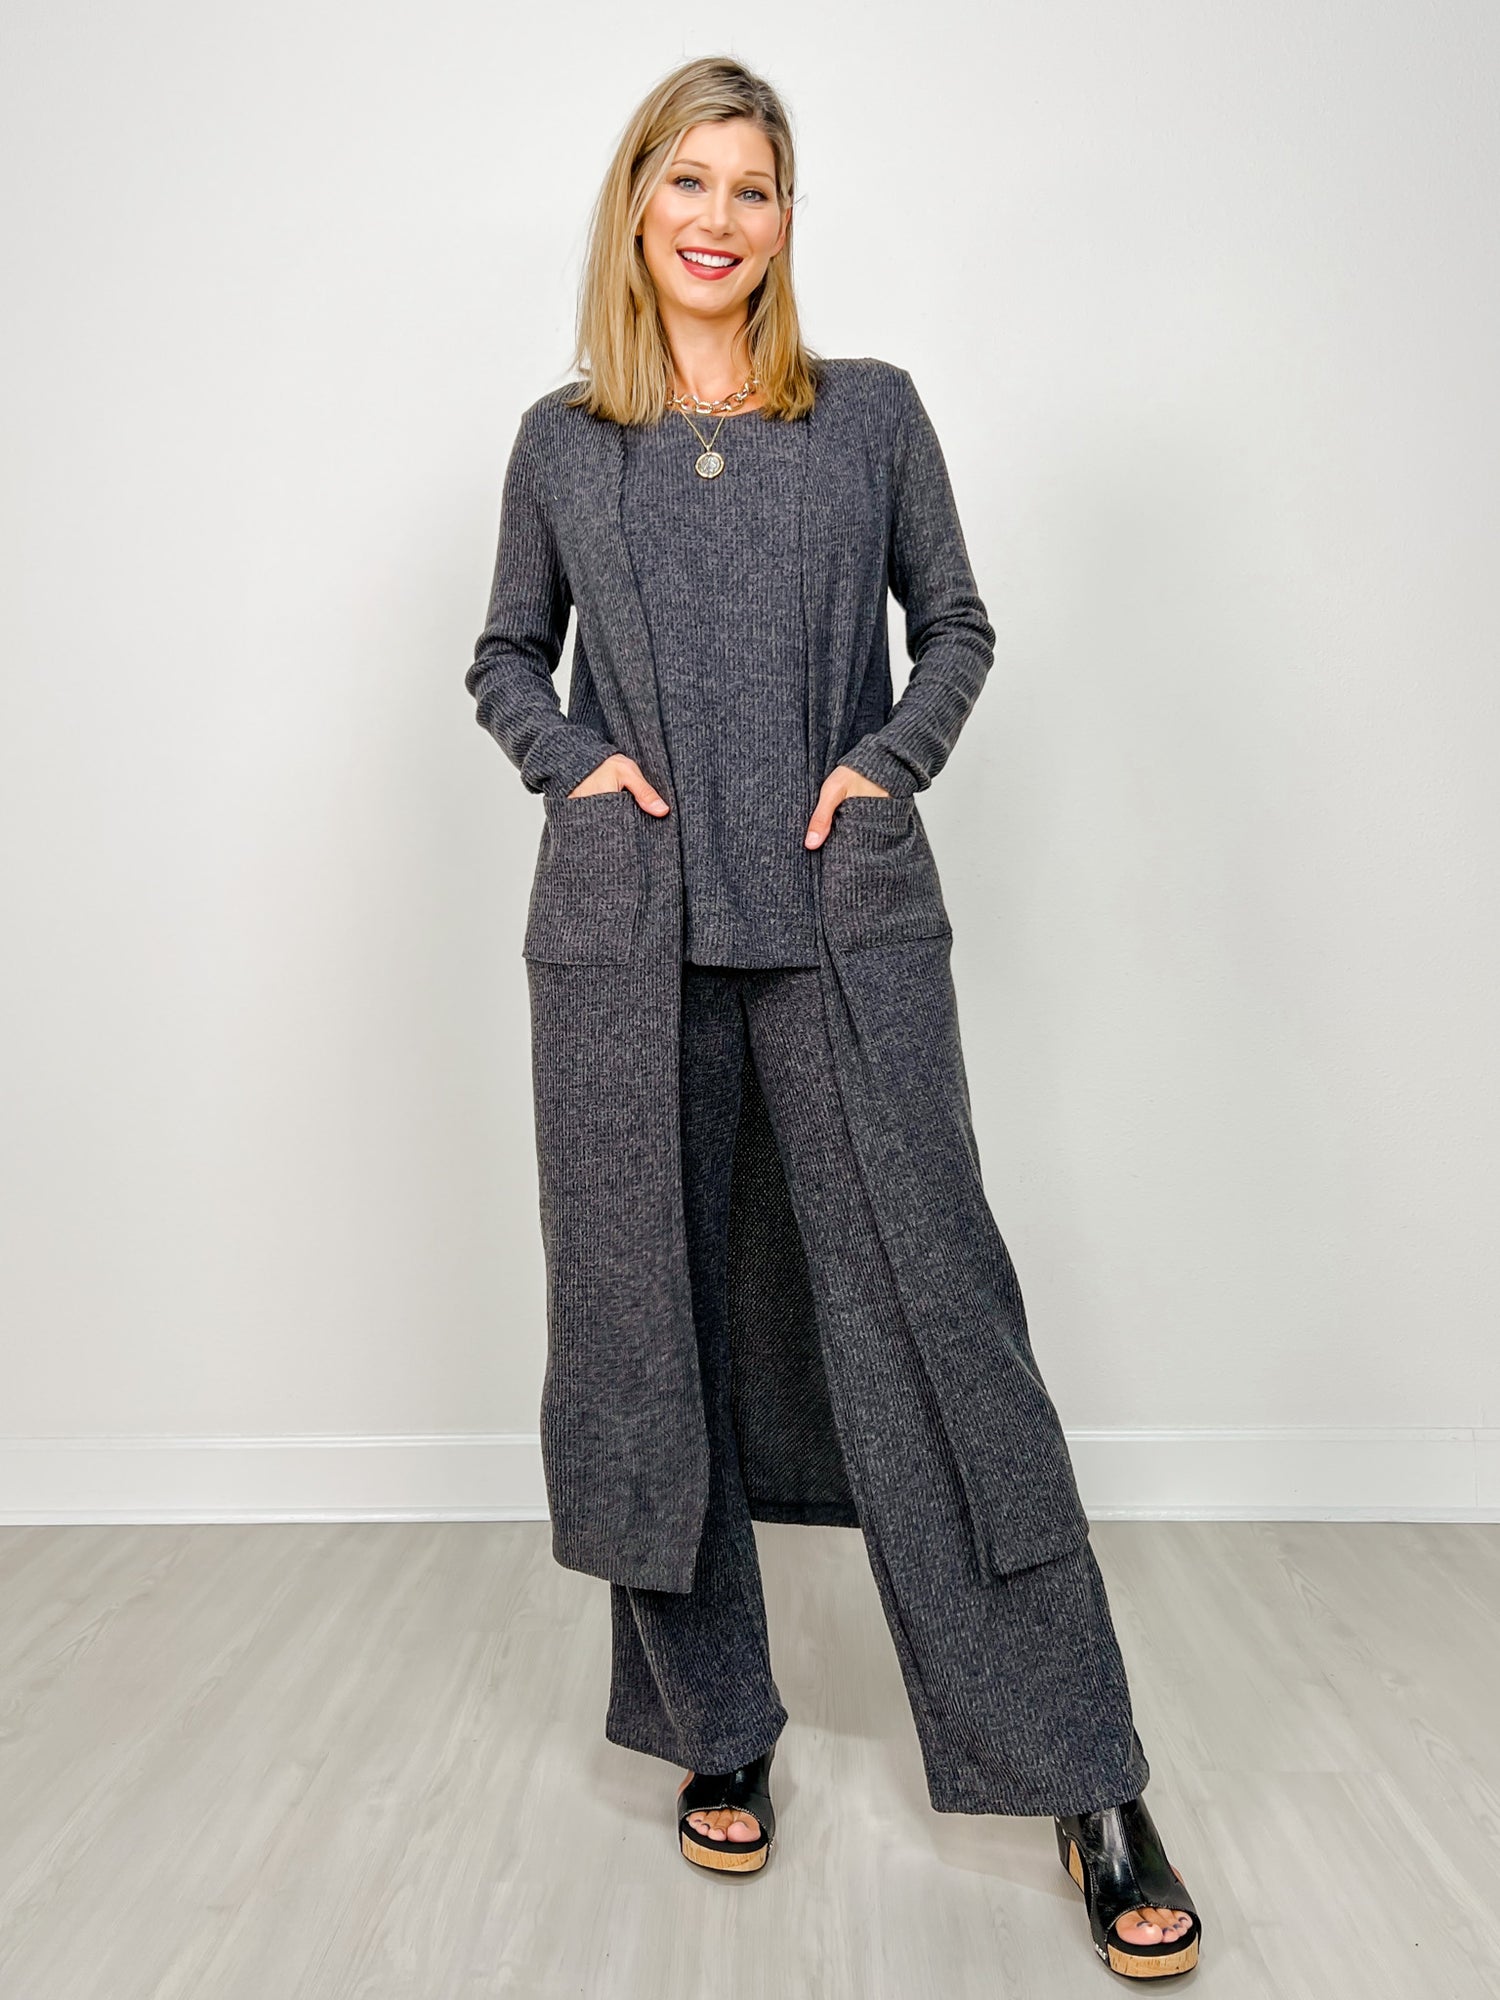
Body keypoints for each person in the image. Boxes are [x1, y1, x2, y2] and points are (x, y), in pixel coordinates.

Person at [465, 54, 1203, 1981]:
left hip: (840, 930)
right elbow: (503, 654)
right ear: (636, 203)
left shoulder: (866, 414)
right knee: (654, 1333)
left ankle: (1088, 1774)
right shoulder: (564, 442)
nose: (719, 218)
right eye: (689, 180)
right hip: (628, 944)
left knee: (941, 1326)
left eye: (756, 187)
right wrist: (573, 763)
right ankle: (717, 1724)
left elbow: (956, 625)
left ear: (789, 221)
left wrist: (883, 765)